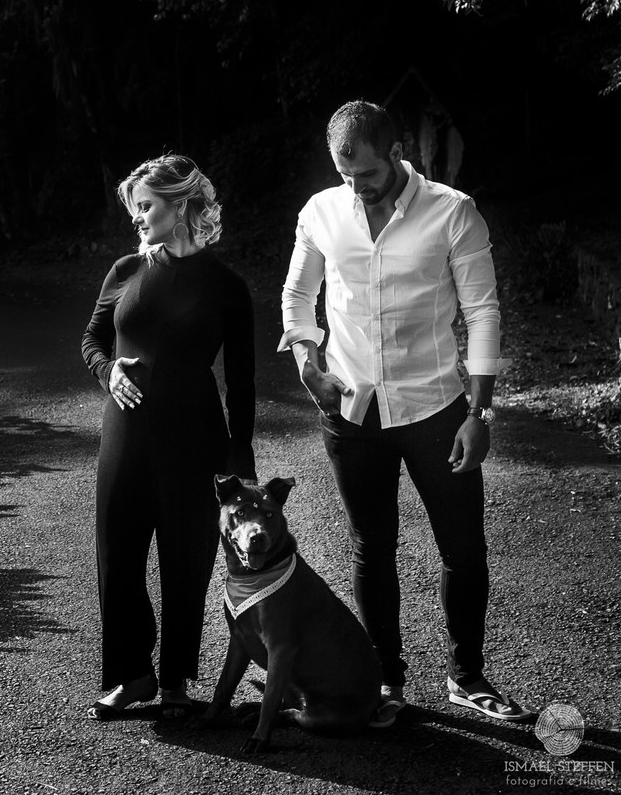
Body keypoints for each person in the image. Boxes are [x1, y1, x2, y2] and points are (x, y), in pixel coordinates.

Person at [279, 100, 531, 722]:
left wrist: (482, 412)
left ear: (396, 155)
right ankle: (385, 679)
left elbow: (483, 313)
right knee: (372, 547)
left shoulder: (452, 212)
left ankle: (467, 677)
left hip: (436, 408)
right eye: (343, 175)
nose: (354, 188)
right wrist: (310, 366)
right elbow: (297, 296)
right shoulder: (322, 211)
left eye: (364, 174)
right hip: (353, 411)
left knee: (463, 549)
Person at [82, 154, 257, 720]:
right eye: (134, 208)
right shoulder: (124, 271)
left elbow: (245, 381)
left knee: (187, 558)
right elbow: (90, 339)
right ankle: (131, 674)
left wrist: (240, 455)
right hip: (125, 434)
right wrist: (107, 370)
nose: (137, 218)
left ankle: (178, 678)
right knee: (118, 553)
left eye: (146, 205)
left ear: (180, 204)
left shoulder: (226, 285)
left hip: (195, 436)